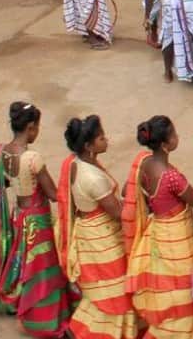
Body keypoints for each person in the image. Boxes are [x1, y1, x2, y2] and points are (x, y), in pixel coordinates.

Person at [0, 102, 76, 337]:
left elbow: (7, 183)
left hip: (20, 214)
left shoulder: (3, 151)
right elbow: (52, 193)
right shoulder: (32, 157)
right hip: (37, 218)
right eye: (37, 127)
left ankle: (25, 309)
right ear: (30, 127)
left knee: (26, 265)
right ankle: (43, 319)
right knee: (43, 268)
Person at [126, 115, 193, 337]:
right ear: (165, 145)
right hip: (178, 235)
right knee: (184, 285)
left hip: (158, 229)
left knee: (164, 280)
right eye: (174, 135)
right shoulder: (171, 177)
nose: (178, 137)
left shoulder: (144, 163)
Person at [55, 115, 139, 339]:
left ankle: (78, 329)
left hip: (89, 230)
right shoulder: (92, 178)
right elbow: (119, 213)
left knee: (102, 290)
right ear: (89, 146)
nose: (106, 140)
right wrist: (137, 196)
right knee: (116, 291)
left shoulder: (75, 163)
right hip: (102, 237)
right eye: (101, 138)